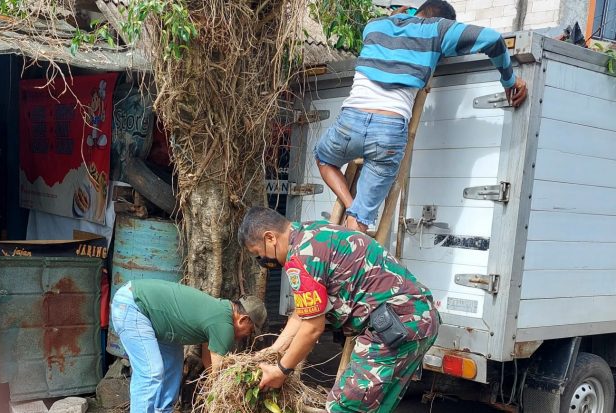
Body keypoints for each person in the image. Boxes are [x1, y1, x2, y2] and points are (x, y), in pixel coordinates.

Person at [315, 0, 529, 232]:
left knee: (324, 158)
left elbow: (401, 25)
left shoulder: (374, 26)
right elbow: (493, 39)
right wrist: (509, 80)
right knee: (360, 220)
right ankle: (356, 214)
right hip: (389, 129)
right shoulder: (438, 29)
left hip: (350, 121)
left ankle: (349, 204)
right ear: (443, 19)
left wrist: (401, 16)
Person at [238, 207, 440, 412]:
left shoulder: (300, 258)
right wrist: (275, 350)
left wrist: (281, 371)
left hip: (396, 324)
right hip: (418, 318)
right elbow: (303, 312)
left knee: (342, 406)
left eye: (258, 253)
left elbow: (312, 328)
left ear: (270, 237)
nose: (263, 260)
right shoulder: (311, 233)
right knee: (371, 408)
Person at [111, 279, 267, 413]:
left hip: (153, 317)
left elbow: (211, 366)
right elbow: (220, 375)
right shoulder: (224, 324)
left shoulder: (219, 313)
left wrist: (210, 382)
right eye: (251, 330)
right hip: (134, 306)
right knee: (151, 372)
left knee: (172, 369)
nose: (247, 335)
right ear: (243, 320)